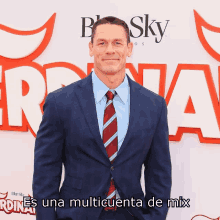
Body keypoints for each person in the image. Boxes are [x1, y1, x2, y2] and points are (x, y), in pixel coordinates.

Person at [33, 16, 172, 220]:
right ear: (91, 48)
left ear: (129, 48)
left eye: (117, 43)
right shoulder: (60, 103)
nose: (110, 50)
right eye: (102, 43)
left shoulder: (154, 105)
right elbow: (45, 173)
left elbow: (159, 173)